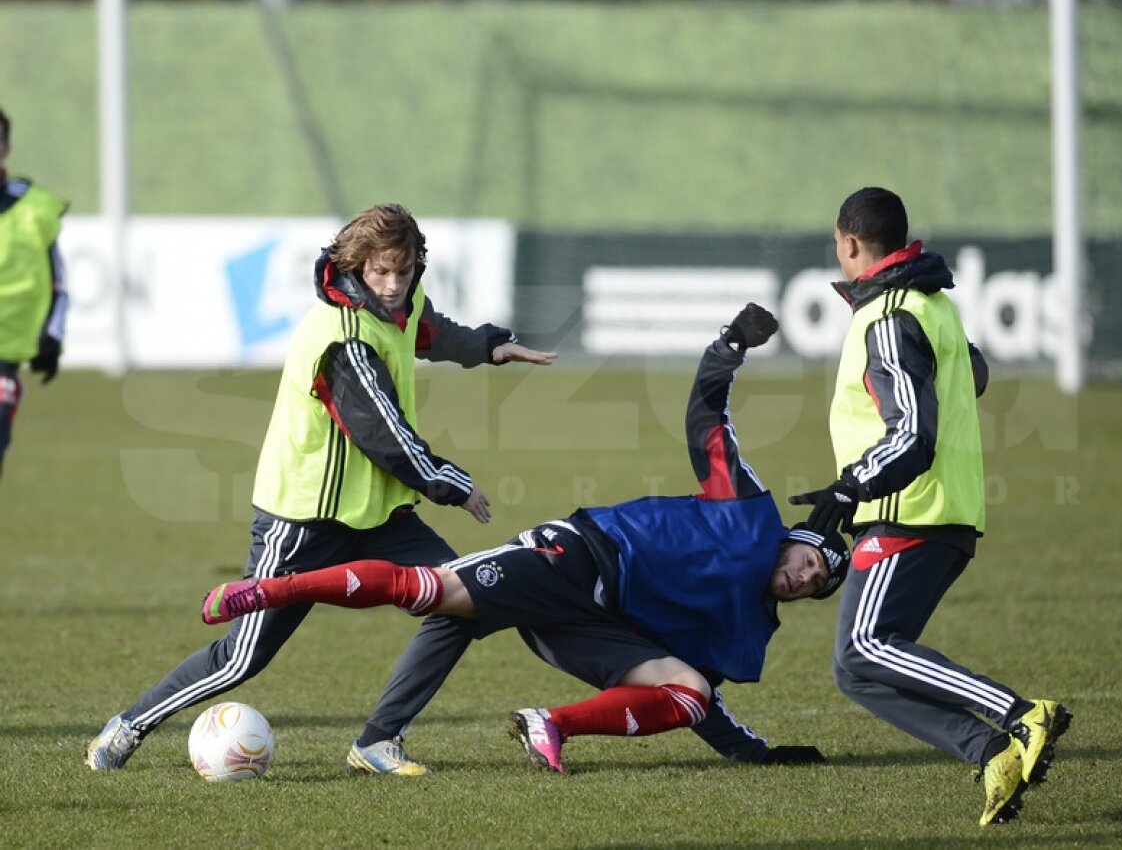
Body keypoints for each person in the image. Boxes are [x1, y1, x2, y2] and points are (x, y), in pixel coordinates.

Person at [200, 304, 852, 773]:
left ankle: (552, 724)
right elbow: (707, 417)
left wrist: (756, 754)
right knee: (430, 590)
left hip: (590, 622)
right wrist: (728, 346)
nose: (802, 579)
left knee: (689, 689)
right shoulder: (748, 512)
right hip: (570, 556)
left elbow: (703, 696)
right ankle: (265, 589)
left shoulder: (749, 626)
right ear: (793, 539)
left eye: (814, 586)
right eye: (807, 562)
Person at [86, 203, 557, 772]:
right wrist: (451, 483)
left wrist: (487, 346)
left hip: (379, 516)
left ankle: (378, 741)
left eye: (402, 273)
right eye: (379, 273)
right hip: (303, 520)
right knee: (241, 660)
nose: (391, 285)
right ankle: (125, 727)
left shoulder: (398, 303)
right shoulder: (343, 337)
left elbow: (426, 330)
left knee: (461, 603)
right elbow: (381, 432)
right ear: (355, 265)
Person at [790, 187, 1071, 827]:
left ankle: (1019, 714)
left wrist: (850, 484)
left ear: (850, 242)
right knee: (855, 668)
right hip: (941, 507)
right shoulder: (929, 304)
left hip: (911, 508)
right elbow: (972, 373)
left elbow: (912, 431)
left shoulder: (888, 314)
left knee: (865, 643)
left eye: (837, 242)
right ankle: (993, 751)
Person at [0, 107, 69, 481]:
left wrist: (52, 339)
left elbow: (59, 282)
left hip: (4, 355)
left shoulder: (33, 210)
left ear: (6, 148)